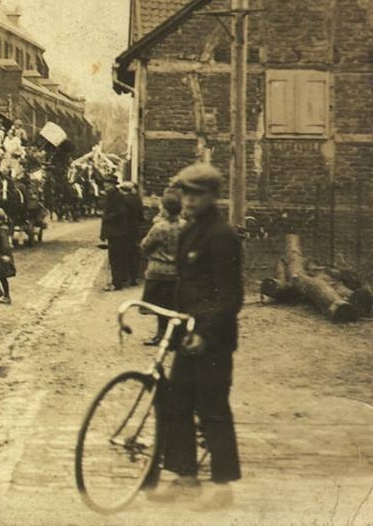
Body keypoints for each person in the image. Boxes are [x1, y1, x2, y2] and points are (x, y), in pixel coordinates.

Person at [153, 162, 242, 509]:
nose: (188, 201)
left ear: (213, 196)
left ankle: (223, 487)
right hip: (188, 335)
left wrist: (206, 333)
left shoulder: (222, 236)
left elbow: (229, 296)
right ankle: (185, 477)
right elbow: (185, 286)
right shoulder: (189, 232)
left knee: (212, 408)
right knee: (177, 403)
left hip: (213, 340)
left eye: (196, 194)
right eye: (185, 193)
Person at [140, 188, 185, 346]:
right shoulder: (186, 227)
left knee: (160, 308)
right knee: (175, 306)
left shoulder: (159, 227)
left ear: (164, 209)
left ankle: (161, 335)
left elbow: (145, 246)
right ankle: (176, 336)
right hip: (178, 272)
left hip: (158, 272)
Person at [99, 175, 129, 291]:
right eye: (105, 183)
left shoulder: (117, 196)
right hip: (114, 231)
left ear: (112, 184)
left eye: (107, 183)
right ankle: (117, 280)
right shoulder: (111, 195)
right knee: (115, 257)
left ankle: (117, 283)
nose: (104, 185)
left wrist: (108, 217)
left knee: (116, 257)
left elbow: (121, 212)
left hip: (117, 231)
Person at [120, 181, 145, 286]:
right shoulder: (137, 199)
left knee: (125, 253)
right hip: (135, 230)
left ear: (123, 190)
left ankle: (125, 277)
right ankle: (134, 277)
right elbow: (141, 216)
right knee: (135, 253)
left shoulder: (123, 200)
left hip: (125, 230)